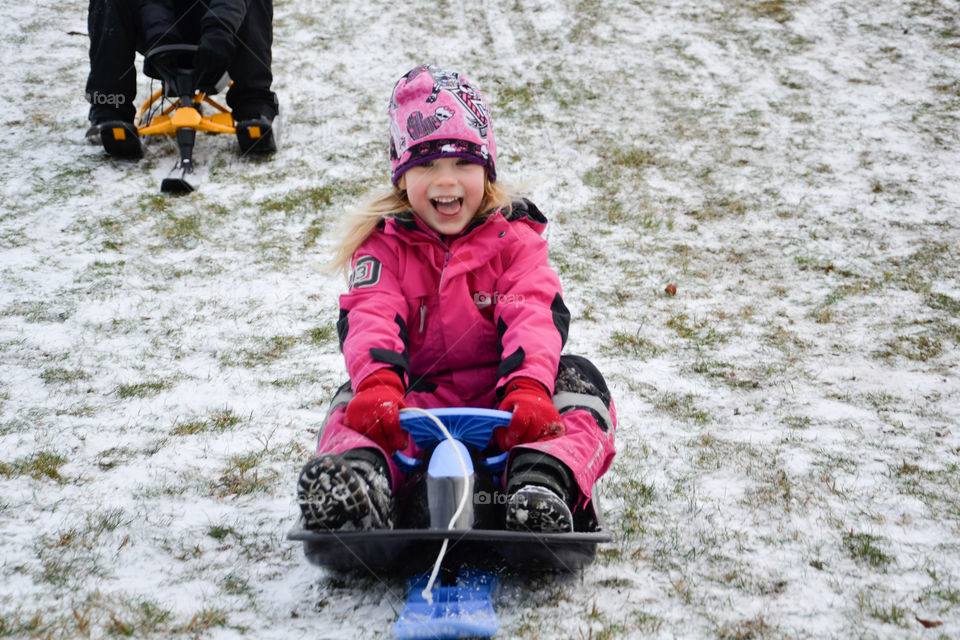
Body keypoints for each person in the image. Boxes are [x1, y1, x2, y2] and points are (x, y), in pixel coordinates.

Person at [296, 65, 616, 534]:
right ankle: (359, 486)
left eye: (463, 164)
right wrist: (380, 383)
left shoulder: (514, 240)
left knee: (580, 382)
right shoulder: (382, 246)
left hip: (508, 413)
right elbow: (372, 313)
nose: (446, 181)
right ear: (401, 177)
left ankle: (541, 482)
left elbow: (532, 311)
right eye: (426, 165)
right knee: (351, 403)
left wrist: (527, 388)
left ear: (486, 172)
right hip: (409, 409)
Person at [84, 0, 279, 158]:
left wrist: (219, 31)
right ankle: (110, 111)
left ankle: (254, 105)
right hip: (160, 33)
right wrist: (162, 35)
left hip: (220, 33)